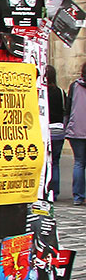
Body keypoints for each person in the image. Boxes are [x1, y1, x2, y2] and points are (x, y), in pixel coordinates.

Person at [64, 61, 86, 205]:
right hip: (77, 130)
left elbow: (68, 107)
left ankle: (78, 196)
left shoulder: (75, 86)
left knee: (79, 163)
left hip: (77, 129)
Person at [46, 64, 66, 197]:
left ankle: (47, 189)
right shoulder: (60, 92)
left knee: (47, 162)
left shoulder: (42, 91)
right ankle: (56, 192)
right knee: (56, 163)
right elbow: (65, 110)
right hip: (59, 130)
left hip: (47, 130)